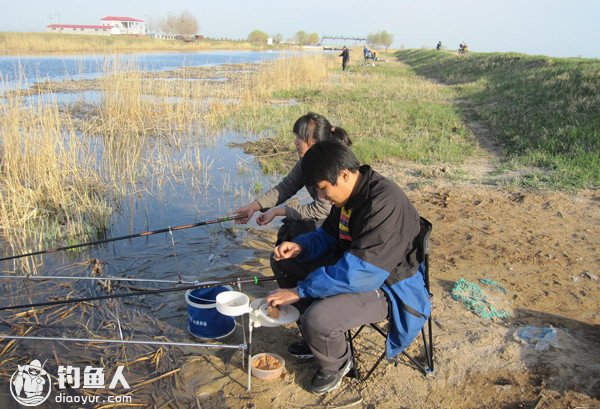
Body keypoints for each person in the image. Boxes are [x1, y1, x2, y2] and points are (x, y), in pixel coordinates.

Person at [265, 140, 431, 394]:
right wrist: (300, 247)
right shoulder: (349, 197)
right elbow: (330, 236)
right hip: (356, 269)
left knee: (319, 318)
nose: (321, 197)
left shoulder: (383, 202)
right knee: (284, 262)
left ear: (344, 174)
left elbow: (362, 273)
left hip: (389, 285)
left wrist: (301, 290)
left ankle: (337, 365)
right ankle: (319, 341)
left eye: (322, 189)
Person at [233, 113, 351, 246]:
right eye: (296, 136)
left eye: (300, 137)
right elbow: (285, 188)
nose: (296, 141)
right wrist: (253, 206)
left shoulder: (329, 166)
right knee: (290, 228)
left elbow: (321, 210)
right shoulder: (305, 163)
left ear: (317, 142)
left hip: (344, 224)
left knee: (300, 228)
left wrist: (278, 211)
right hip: (330, 220)